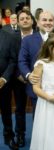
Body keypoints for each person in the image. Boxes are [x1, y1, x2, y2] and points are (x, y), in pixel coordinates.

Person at [12, 10, 34, 148]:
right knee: (20, 109)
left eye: (27, 18)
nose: (25, 20)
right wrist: (19, 75)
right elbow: (11, 59)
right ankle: (20, 135)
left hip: (37, 79)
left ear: (32, 21)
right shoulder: (12, 38)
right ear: (18, 22)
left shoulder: (40, 36)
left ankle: (39, 135)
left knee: (39, 109)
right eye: (22, 18)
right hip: (18, 79)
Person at [0, 11, 18, 150]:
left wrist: (4, 78)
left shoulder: (9, 37)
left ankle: (9, 136)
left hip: (3, 83)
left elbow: (13, 60)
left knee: (6, 111)